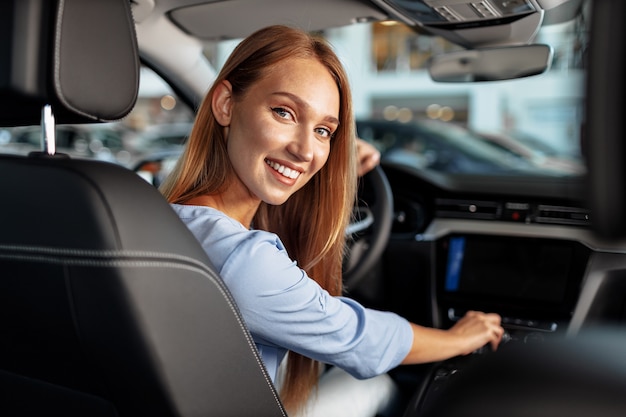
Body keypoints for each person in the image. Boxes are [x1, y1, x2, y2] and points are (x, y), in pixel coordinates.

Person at [160, 24, 504, 416]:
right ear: (225, 104)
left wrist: (335, 169)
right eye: (283, 112)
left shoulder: (160, 217)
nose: (306, 150)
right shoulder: (246, 261)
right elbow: (359, 339)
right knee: (377, 385)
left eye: (323, 130)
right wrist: (457, 339)